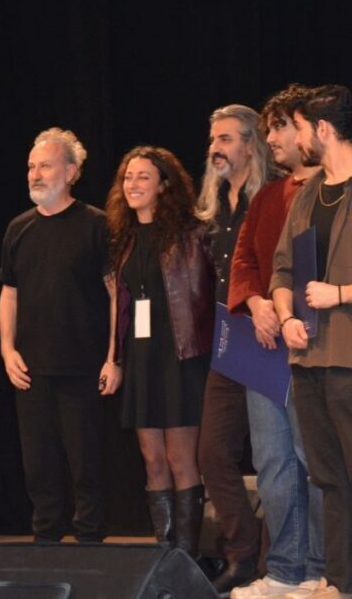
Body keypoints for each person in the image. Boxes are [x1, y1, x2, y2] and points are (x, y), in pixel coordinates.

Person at [270, 85, 352, 599]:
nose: (297, 138)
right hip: (307, 356)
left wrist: (339, 294)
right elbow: (282, 269)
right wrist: (285, 317)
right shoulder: (307, 193)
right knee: (327, 476)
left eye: (300, 127)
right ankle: (340, 578)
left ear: (323, 129)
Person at [227, 85, 327, 598]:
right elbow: (243, 259)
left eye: (280, 127)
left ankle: (320, 566)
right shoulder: (267, 196)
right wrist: (255, 302)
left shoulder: (338, 189)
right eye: (267, 129)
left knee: (316, 459)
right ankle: (286, 569)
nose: (271, 139)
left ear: (310, 128)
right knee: (272, 461)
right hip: (267, 347)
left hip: (318, 343)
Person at [0, 127, 120, 545]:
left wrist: (113, 357)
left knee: (86, 463)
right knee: (39, 465)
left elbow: (116, 295)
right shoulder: (18, 228)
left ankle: (90, 542)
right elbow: (9, 293)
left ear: (71, 172)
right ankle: (46, 541)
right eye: (31, 166)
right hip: (31, 370)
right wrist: (7, 349)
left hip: (83, 368)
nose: (35, 174)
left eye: (45, 166)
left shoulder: (97, 225)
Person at [108, 145, 216, 558]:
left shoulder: (192, 234)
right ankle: (163, 556)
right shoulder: (124, 238)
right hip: (141, 359)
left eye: (143, 177)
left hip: (181, 358)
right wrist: (114, 359)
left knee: (180, 458)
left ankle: (186, 560)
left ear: (164, 186)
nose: (132, 184)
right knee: (152, 460)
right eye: (128, 177)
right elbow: (119, 305)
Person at [195, 104, 272, 592]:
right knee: (212, 452)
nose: (215, 148)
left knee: (273, 455)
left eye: (225, 139)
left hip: (265, 336)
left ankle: (277, 558)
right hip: (227, 342)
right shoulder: (213, 206)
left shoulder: (271, 196)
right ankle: (242, 553)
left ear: (250, 143)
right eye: (213, 140)